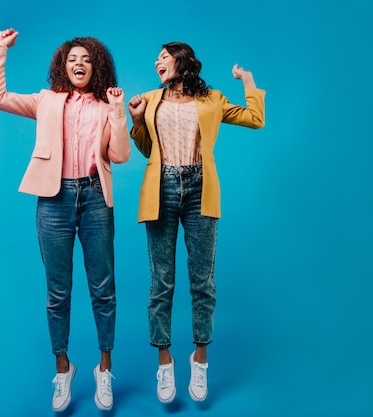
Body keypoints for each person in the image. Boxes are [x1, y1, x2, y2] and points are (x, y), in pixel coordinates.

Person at [0, 28, 130, 412]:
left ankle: (104, 367)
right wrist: (0, 49)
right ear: (63, 67)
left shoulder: (105, 103)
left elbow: (120, 155)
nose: (79, 64)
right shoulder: (46, 100)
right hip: (54, 198)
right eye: (72, 59)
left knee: (104, 289)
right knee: (57, 292)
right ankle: (63, 368)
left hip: (96, 197)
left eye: (86, 59)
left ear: (96, 66)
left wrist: (117, 111)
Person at [127, 42, 265, 403]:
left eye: (163, 56)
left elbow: (255, 119)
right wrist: (137, 120)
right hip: (162, 188)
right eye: (155, 57)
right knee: (161, 281)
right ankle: (164, 361)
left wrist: (247, 81)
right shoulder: (149, 99)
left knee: (203, 281)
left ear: (181, 60)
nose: (157, 61)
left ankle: (200, 360)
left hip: (201, 187)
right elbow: (145, 149)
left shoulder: (213, 100)